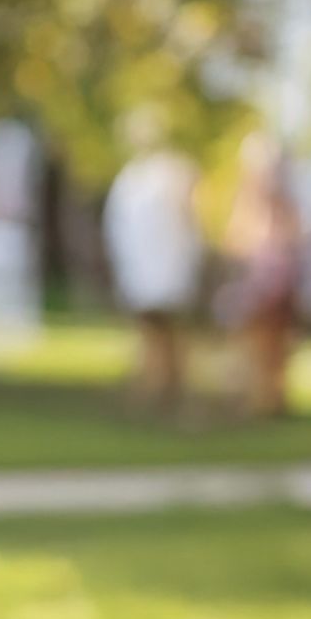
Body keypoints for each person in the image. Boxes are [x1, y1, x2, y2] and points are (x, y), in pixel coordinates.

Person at [103, 112, 205, 414]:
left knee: (169, 331)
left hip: (166, 267)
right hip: (145, 268)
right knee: (150, 331)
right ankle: (153, 385)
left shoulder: (170, 174)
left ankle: (169, 387)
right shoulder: (134, 178)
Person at [218, 132, 305, 418]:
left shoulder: (286, 208)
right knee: (253, 346)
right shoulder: (247, 205)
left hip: (279, 288)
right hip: (254, 287)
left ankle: (273, 400)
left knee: (276, 348)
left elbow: (296, 243)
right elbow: (234, 243)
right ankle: (256, 399)